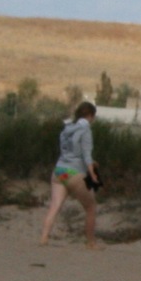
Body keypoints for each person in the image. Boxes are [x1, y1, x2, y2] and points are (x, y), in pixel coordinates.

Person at [39, 100, 101, 249]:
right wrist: (93, 174)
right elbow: (86, 155)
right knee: (91, 207)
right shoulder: (85, 130)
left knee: (55, 206)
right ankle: (91, 242)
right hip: (74, 172)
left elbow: (70, 151)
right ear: (90, 115)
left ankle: (44, 237)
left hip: (60, 170)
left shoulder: (67, 128)